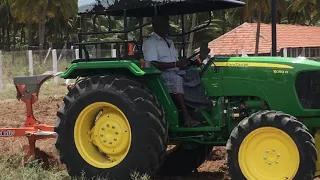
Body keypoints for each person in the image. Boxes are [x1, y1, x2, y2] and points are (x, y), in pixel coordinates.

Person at [142, 14, 201, 127]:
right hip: (160, 75)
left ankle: (199, 108)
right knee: (177, 80)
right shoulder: (150, 42)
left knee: (196, 74)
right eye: (164, 24)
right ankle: (186, 116)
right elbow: (154, 64)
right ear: (155, 26)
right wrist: (176, 64)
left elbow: (175, 60)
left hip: (175, 69)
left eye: (167, 24)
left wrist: (184, 63)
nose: (167, 26)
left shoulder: (169, 41)